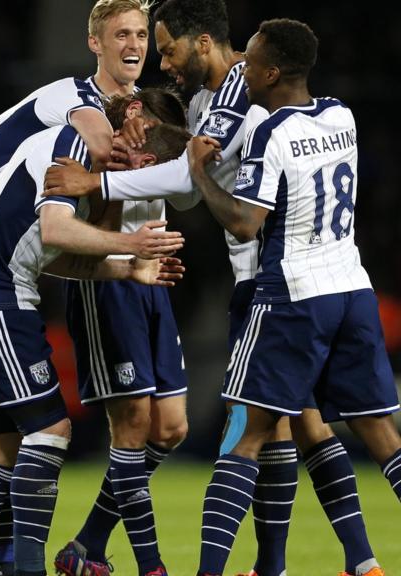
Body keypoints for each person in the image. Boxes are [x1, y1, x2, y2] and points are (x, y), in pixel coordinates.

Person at [43, 3, 389, 575]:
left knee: (259, 432)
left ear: (201, 42)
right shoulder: (214, 103)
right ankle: (336, 561)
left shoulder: (233, 92)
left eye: (166, 47)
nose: (162, 61)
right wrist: (154, 149)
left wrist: (99, 177)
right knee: (297, 423)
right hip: (309, 278)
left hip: (274, 281)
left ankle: (287, 564)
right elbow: (189, 188)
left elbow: (187, 180)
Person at [185, 19, 400, 576]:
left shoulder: (269, 133)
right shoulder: (341, 115)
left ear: (272, 73)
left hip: (294, 297)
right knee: (380, 435)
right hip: (352, 288)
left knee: (247, 437)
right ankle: (361, 563)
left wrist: (200, 173)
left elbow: (244, 225)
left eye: (250, 63)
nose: (242, 70)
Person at [0, 88, 189, 576]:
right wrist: (130, 242)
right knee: (51, 432)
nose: (144, 171)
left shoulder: (93, 168)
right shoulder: (71, 144)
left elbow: (53, 256)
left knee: (1, 443)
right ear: (129, 126)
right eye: (145, 159)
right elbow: (56, 232)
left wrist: (126, 268)